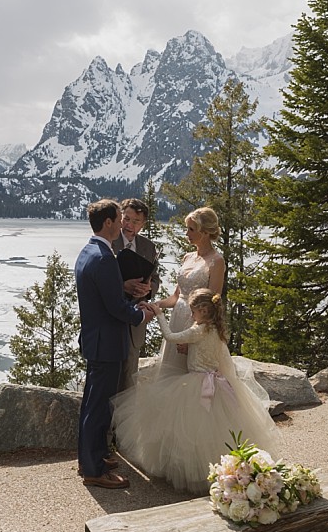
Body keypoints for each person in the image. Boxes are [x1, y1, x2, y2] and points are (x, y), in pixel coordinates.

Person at [110, 288, 280, 495]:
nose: (191, 315)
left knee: (190, 430)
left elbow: (170, 336)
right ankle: (224, 468)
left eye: (193, 312)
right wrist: (189, 348)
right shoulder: (214, 329)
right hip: (217, 381)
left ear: (203, 311)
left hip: (197, 383)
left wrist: (159, 314)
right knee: (217, 429)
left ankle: (197, 472)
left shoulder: (197, 330)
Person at [75, 199, 154, 490]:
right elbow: (116, 307)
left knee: (91, 403)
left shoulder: (88, 252)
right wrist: (141, 314)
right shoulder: (105, 258)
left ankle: (89, 457)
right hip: (107, 342)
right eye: (119, 218)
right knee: (98, 407)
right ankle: (94, 469)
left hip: (96, 340)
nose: (122, 223)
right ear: (108, 222)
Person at [153, 207, 226, 378]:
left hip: (196, 325)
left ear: (206, 232)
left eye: (191, 229)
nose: (186, 233)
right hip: (177, 320)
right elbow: (177, 296)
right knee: (170, 378)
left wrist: (193, 340)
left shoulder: (217, 261)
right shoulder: (188, 257)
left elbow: (212, 306)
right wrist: (156, 305)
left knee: (190, 380)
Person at [110, 198, 160, 392]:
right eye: (126, 219)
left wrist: (148, 289)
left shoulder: (149, 247)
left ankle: (124, 422)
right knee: (109, 379)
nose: (129, 225)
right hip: (111, 319)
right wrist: (123, 286)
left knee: (130, 381)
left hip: (135, 324)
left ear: (143, 224)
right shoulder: (109, 241)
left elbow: (155, 279)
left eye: (135, 221)